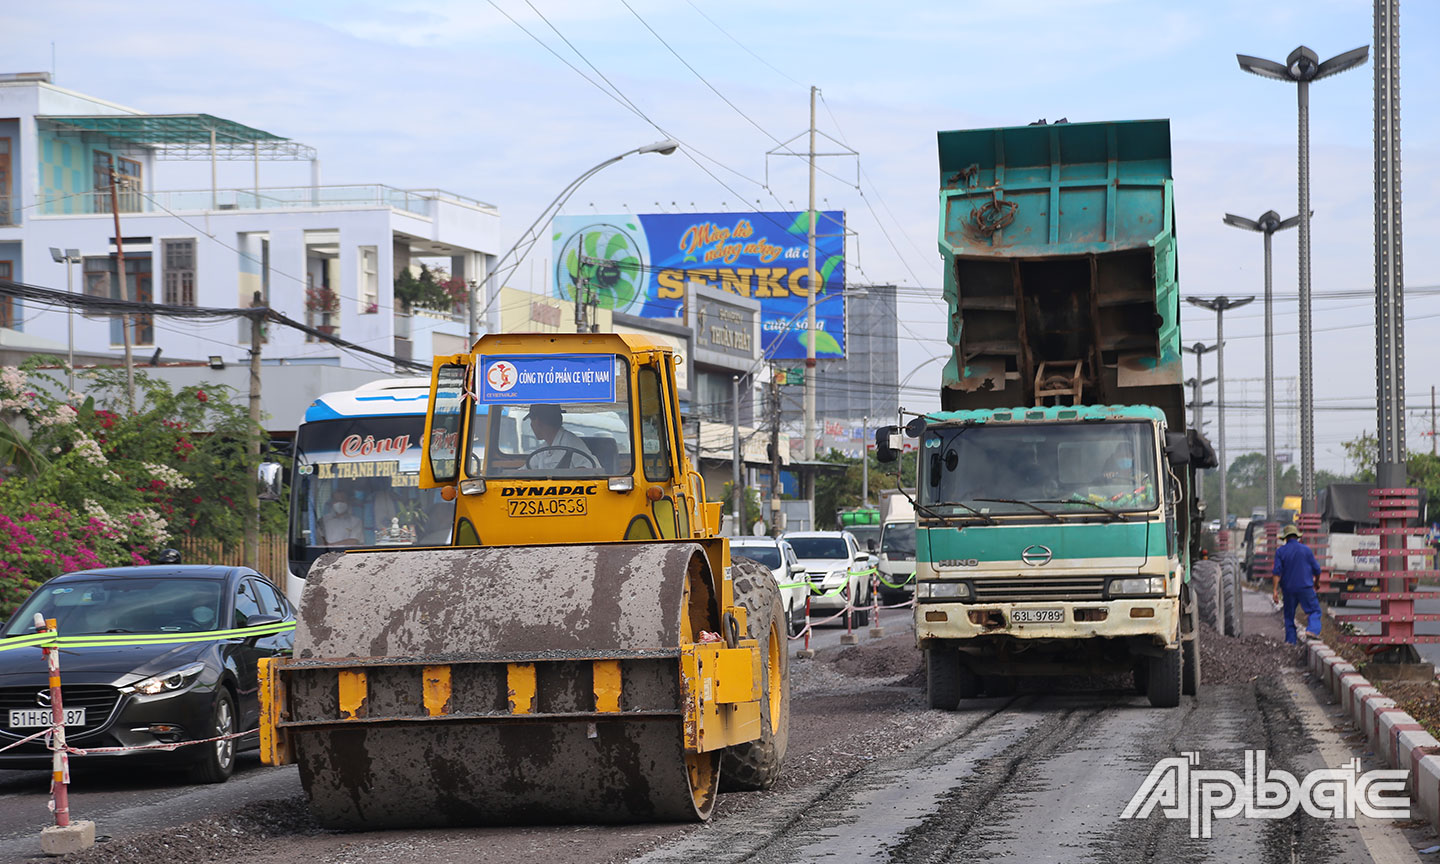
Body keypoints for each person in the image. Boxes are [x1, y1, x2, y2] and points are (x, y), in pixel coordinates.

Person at [1272, 523, 1322, 644]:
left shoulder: (1280, 551)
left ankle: (1290, 642)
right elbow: (1317, 569)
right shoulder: (1306, 550)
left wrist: (1275, 590)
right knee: (1314, 611)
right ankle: (1312, 630)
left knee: (1289, 616)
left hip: (1288, 589)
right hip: (1305, 588)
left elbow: (1277, 572)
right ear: (1297, 537)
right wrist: (1317, 582)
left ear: (1285, 538)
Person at [526, 404, 597, 470]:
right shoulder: (543, 449)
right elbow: (526, 469)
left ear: (537, 421)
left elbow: (593, 468)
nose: (531, 425)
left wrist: (568, 476)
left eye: (531, 421)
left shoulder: (571, 442)